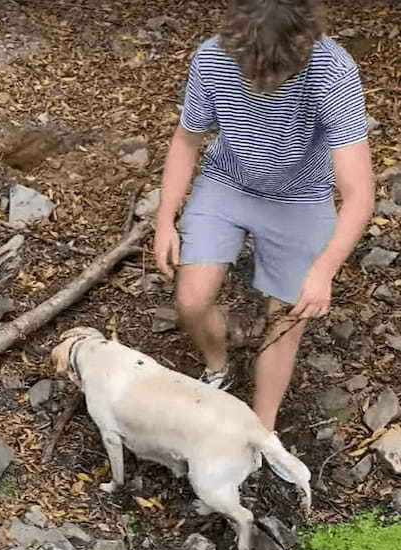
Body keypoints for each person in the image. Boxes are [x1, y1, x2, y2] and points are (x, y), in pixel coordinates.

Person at [154, 0, 375, 431]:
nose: (261, 85)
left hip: (301, 196)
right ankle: (218, 366)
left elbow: (359, 191)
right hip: (227, 181)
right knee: (191, 300)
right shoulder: (212, 56)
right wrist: (165, 219)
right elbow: (186, 141)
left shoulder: (334, 71)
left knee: (287, 318)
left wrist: (325, 269)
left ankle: (261, 429)